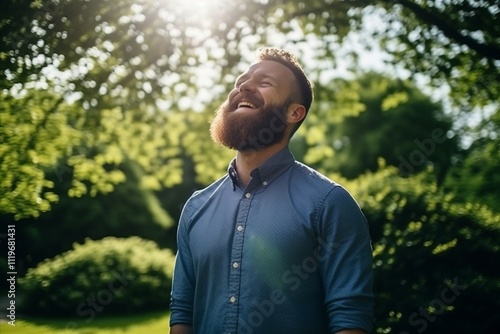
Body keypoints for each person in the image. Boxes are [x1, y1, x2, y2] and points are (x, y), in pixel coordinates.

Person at [169, 47, 374, 334]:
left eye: (264, 83)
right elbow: (182, 312)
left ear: (294, 113)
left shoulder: (330, 204)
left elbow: (350, 318)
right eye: (241, 81)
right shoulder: (195, 208)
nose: (244, 86)